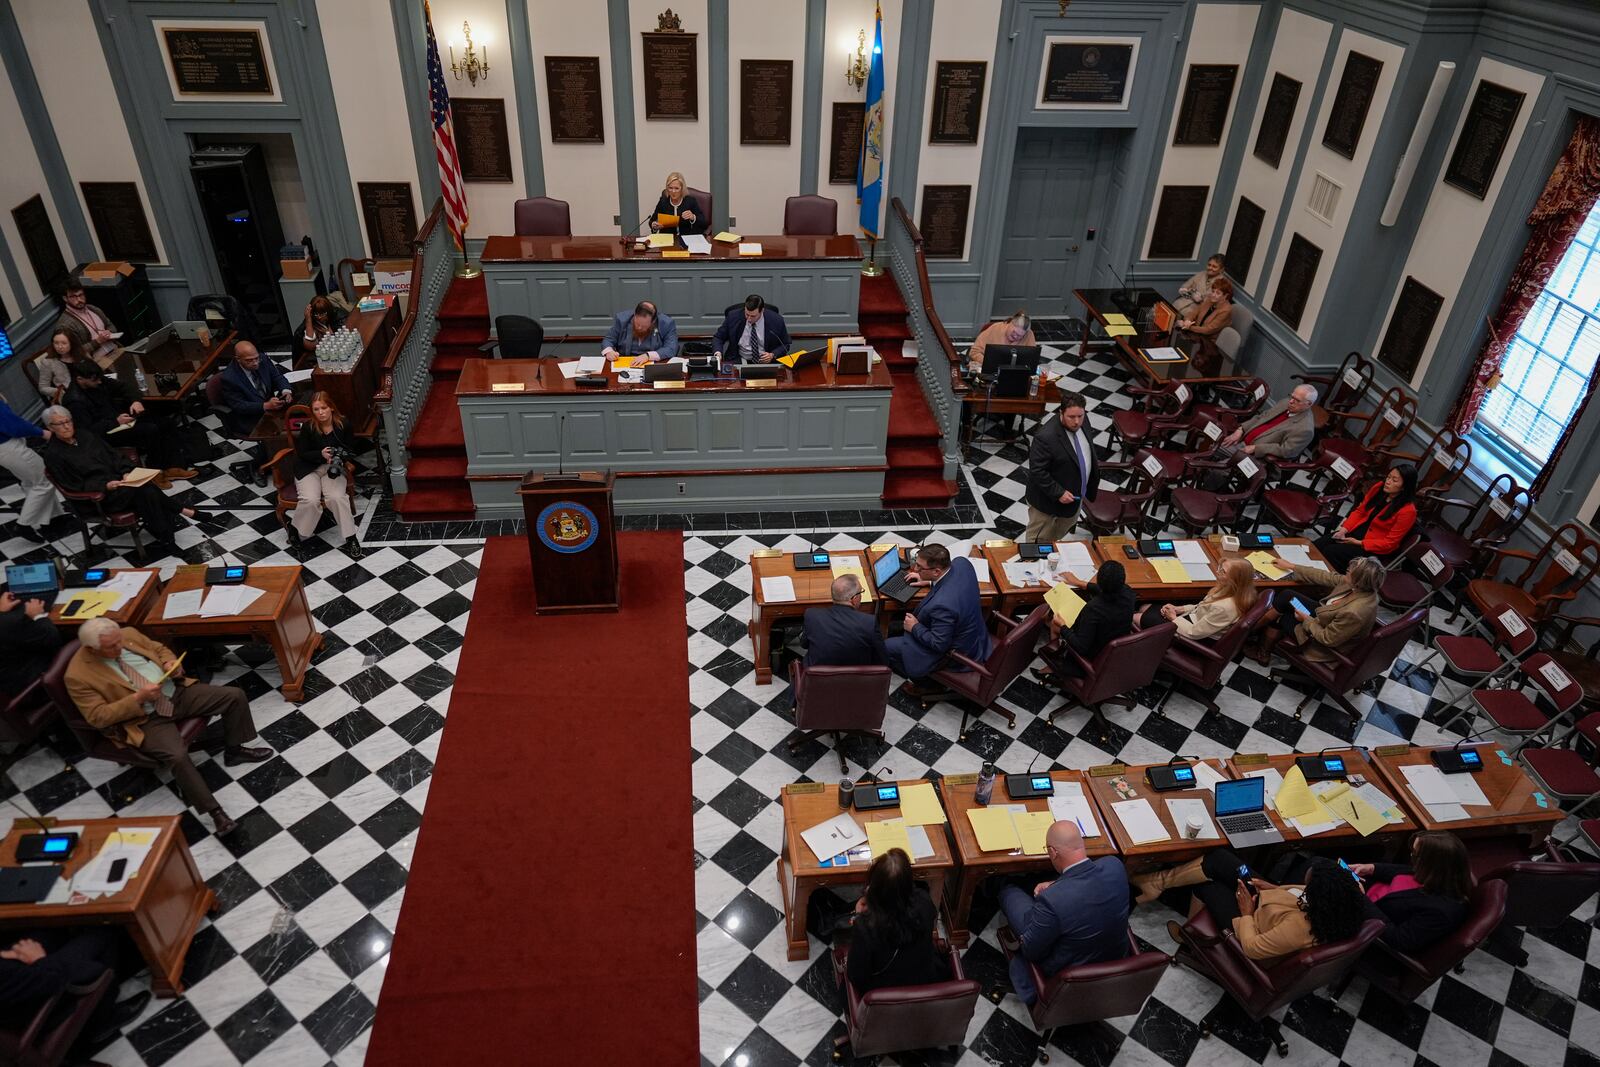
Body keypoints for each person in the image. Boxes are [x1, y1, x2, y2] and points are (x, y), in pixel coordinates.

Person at [65, 619, 271, 837]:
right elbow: (98, 717)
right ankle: (215, 813)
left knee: (234, 696)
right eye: (112, 647)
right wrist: (138, 698)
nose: (120, 647)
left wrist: (169, 663)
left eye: (120, 642)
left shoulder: (127, 633)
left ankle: (234, 751)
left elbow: (159, 648)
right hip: (145, 718)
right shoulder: (78, 676)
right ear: (91, 649)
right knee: (177, 756)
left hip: (176, 694)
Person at [40, 406, 214, 551]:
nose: (66, 426)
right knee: (144, 490)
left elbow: (113, 455)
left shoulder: (85, 435)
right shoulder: (54, 454)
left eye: (68, 421)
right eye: (60, 424)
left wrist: (125, 471)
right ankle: (182, 513)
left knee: (144, 489)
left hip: (121, 482)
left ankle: (167, 538)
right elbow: (73, 485)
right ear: (50, 427)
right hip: (100, 497)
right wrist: (106, 485)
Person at [997, 821, 1129, 1005]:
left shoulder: (1052, 901)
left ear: (1052, 852)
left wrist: (1053, 893)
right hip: (1114, 958)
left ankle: (1000, 885)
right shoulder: (1115, 866)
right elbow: (1088, 882)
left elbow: (1031, 951)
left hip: (1066, 971)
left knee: (1009, 892)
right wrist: (1056, 884)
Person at [1277, 833, 1472, 956]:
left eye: (1414, 855)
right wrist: (1371, 868)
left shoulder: (1441, 912)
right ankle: (1279, 892)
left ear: (1431, 865)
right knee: (1319, 864)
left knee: (1318, 872)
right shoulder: (1433, 875)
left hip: (1364, 925)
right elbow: (1403, 872)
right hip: (1365, 895)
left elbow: (1398, 940)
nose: (1411, 858)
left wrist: (1359, 898)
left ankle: (1278, 904)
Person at [1161, 849, 1370, 960]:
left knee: (1208, 887)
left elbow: (1252, 948)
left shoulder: (1297, 929)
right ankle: (1157, 881)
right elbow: (1297, 893)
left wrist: (1246, 913)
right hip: (1267, 903)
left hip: (1253, 922)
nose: (1305, 886)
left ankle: (1189, 940)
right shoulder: (1336, 901)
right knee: (1220, 858)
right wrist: (1272, 888)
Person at [0, 927, 150, 1050]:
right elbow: (51, 981)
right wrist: (38, 959)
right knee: (103, 930)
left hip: (14, 976)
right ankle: (100, 1019)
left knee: (51, 928)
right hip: (40, 1003)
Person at [62, 362, 195, 483]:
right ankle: (155, 470)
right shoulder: (75, 401)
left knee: (165, 422)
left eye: (99, 378)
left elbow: (124, 386)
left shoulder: (98, 380)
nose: (99, 382)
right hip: (106, 433)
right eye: (94, 380)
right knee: (150, 430)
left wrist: (135, 400)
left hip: (119, 419)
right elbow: (88, 430)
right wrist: (116, 422)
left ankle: (173, 466)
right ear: (80, 379)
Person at [884, 544, 992, 689]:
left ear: (936, 571)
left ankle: (925, 683)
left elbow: (939, 644)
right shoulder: (962, 563)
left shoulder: (944, 606)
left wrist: (915, 627)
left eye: (920, 568)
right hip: (973, 633)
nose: (915, 569)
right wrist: (929, 580)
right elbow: (952, 579)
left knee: (886, 646)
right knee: (895, 626)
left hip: (954, 652)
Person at [845, 848, 949, 994]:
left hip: (884, 996)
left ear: (874, 887)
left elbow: (856, 976)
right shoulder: (924, 901)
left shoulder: (865, 926)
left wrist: (859, 915)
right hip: (924, 982)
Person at [1247, 555, 1383, 666]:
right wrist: (1292, 567)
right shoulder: (1361, 588)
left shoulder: (1355, 612)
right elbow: (1326, 577)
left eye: (1349, 571)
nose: (1347, 570)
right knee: (1287, 596)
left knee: (1281, 615)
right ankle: (1249, 632)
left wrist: (1306, 620)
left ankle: (1258, 647)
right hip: (1322, 617)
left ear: (1359, 580)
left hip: (1317, 640)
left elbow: (1327, 639)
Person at [288, 392, 361, 559]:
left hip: (332, 469)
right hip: (309, 468)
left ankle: (351, 537)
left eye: (324, 408)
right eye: (316, 409)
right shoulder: (308, 427)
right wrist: (320, 454)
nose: (320, 412)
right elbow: (302, 453)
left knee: (336, 497)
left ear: (331, 408)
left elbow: (351, 449)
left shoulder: (343, 424)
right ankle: (295, 529)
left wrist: (340, 457)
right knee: (310, 499)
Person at [1036, 559, 1136, 680]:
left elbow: (1081, 647)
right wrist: (1079, 583)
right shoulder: (1128, 592)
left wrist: (1062, 626)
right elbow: (1108, 591)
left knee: (1054, 623)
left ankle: (1055, 664)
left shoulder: (1094, 609)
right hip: (1116, 649)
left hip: (1092, 658)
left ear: (1099, 580)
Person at [1315, 463, 1418, 571]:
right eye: (1388, 477)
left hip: (1372, 547)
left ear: (1404, 487)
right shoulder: (1379, 488)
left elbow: (1389, 543)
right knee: (1319, 544)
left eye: (1394, 480)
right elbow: (1360, 511)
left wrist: (1359, 543)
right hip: (1356, 533)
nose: (1388, 482)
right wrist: (1344, 530)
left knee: (1331, 552)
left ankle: (1324, 580)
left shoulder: (1408, 511)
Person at [1024, 392, 1098, 542]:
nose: (1077, 421)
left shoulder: (1083, 420)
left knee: (1058, 534)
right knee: (1037, 540)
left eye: (1080, 416)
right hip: (1047, 504)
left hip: (1075, 498)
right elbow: (1037, 471)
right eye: (1071, 417)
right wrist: (1058, 493)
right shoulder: (1046, 437)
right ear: (1061, 413)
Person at [1137, 556, 1257, 636]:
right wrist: (1179, 609)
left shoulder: (1226, 608)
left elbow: (1193, 633)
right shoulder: (1232, 590)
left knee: (1135, 617)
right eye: (1220, 568)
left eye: (1223, 571)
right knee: (1144, 607)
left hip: (1190, 634)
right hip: (1192, 619)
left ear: (1235, 579)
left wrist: (1173, 618)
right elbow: (1202, 607)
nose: (1217, 572)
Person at [0, 398, 63, 542]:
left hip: (5, 449)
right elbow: (13, 425)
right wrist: (41, 432)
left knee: (31, 481)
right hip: (9, 447)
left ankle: (53, 517)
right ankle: (24, 524)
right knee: (44, 480)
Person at [1212, 383, 1318, 462]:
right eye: (1292, 396)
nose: (1291, 401)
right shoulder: (1286, 402)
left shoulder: (1305, 429)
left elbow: (1286, 451)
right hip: (1243, 439)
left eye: (1297, 400)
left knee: (1220, 468)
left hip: (1258, 457)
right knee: (1212, 449)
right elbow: (1261, 416)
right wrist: (1241, 430)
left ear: (1308, 404)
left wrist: (1256, 448)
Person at [802, 574, 887, 667]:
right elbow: (882, 660)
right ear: (854, 599)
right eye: (861, 592)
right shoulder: (869, 622)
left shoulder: (812, 616)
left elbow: (804, 644)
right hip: (857, 679)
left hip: (818, 679)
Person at [0, 588, 63, 694]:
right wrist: (38, 615)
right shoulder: (8, 624)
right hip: (27, 686)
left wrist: (2, 612)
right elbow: (52, 638)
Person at [713, 294, 792, 364]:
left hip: (766, 362)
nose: (749, 319)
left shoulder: (776, 320)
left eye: (753, 316)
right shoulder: (733, 317)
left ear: (762, 311)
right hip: (739, 360)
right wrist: (718, 353)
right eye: (747, 314)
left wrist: (772, 355)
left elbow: (785, 344)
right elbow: (718, 337)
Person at [53, 280, 118, 365]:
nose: (79, 300)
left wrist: (110, 332)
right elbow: (73, 352)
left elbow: (111, 326)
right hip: (96, 362)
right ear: (65, 298)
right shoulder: (64, 325)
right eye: (73, 297)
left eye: (81, 295)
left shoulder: (93, 309)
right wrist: (97, 341)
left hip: (115, 349)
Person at [601, 300, 679, 363]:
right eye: (637, 323)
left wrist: (648, 356)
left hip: (653, 365)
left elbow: (671, 348)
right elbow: (608, 340)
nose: (639, 328)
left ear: (653, 321)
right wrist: (609, 352)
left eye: (644, 326)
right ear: (634, 315)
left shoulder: (666, 323)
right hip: (624, 365)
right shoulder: (621, 320)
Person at [1177, 276, 1235, 355]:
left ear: (1225, 296)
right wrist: (1187, 320)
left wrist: (1188, 327)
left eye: (1218, 293)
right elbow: (1194, 313)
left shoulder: (1226, 310)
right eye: (1213, 291)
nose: (1213, 295)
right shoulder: (1209, 299)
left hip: (1209, 344)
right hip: (1197, 336)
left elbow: (1208, 330)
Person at [966, 311, 1037, 373]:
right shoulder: (994, 328)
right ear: (1010, 324)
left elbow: (1032, 360)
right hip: (990, 372)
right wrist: (989, 364)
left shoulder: (1029, 335)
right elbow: (974, 352)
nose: (1015, 336)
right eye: (1014, 332)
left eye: (1020, 336)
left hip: (1015, 374)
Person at [34, 328, 87, 401]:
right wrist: (59, 392)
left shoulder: (80, 352)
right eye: (56, 343)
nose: (60, 347)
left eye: (64, 343)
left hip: (88, 387)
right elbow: (43, 387)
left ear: (72, 343)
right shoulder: (48, 362)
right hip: (71, 396)